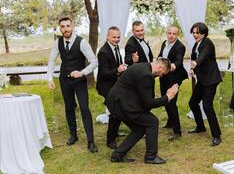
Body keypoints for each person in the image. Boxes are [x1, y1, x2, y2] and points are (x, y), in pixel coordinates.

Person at [106, 58, 179, 164]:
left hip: (118, 101)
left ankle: (117, 155)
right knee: (152, 121)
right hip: (121, 104)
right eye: (162, 73)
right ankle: (151, 157)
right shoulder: (146, 75)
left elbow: (143, 94)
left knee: (139, 128)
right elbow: (148, 103)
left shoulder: (143, 66)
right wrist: (167, 97)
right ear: (160, 68)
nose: (161, 76)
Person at [47, 17, 98, 153]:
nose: (65, 29)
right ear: (60, 28)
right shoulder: (58, 42)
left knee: (84, 108)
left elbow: (94, 62)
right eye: (63, 27)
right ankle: (73, 135)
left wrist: (82, 73)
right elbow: (52, 61)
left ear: (72, 26)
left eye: (68, 26)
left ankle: (91, 141)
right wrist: (49, 78)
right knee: (69, 107)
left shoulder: (82, 43)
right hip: (65, 80)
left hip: (79, 80)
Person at [188, 22, 222, 147]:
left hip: (211, 79)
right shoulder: (196, 44)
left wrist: (196, 63)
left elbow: (203, 57)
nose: (195, 35)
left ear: (203, 33)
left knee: (207, 106)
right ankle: (200, 127)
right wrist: (193, 69)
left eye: (198, 32)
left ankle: (217, 135)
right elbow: (195, 58)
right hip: (202, 79)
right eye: (194, 32)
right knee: (192, 102)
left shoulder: (207, 43)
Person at [96, 26, 127, 150]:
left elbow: (116, 64)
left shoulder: (116, 47)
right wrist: (118, 70)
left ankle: (115, 133)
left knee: (117, 111)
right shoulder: (103, 52)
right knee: (114, 112)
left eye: (118, 37)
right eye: (114, 37)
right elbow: (104, 73)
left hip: (115, 85)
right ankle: (110, 140)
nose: (116, 39)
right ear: (108, 37)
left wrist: (121, 66)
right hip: (106, 86)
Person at [158, 26, 188, 141]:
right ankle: (170, 122)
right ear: (167, 33)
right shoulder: (164, 43)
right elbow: (160, 57)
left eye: (174, 34)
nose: (171, 35)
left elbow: (179, 61)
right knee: (165, 100)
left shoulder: (180, 46)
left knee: (171, 103)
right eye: (169, 33)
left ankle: (177, 132)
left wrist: (171, 66)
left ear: (177, 35)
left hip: (174, 77)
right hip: (163, 76)